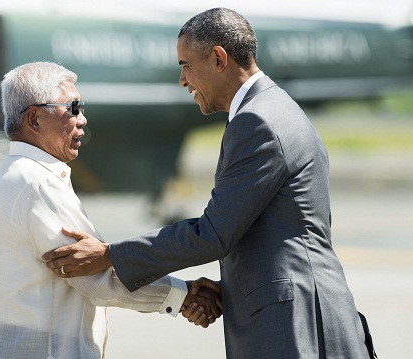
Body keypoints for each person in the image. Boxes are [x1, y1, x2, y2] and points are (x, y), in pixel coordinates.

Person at [41, 8, 377, 359]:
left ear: (218, 58)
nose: (183, 81)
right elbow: (275, 235)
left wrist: (109, 255)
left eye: (186, 66)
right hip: (298, 311)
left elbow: (213, 234)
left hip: (295, 322)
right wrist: (229, 288)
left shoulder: (257, 121)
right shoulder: (273, 108)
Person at [0, 61, 222, 359]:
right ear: (35, 118)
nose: (83, 119)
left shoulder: (15, 175)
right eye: (73, 108)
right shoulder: (38, 183)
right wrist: (183, 295)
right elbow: (96, 278)